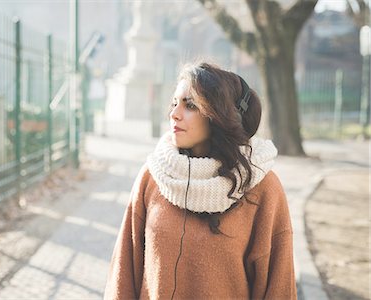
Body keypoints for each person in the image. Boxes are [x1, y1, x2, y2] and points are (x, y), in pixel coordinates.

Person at [104, 61, 297, 299]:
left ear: (219, 116)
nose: (174, 114)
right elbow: (124, 272)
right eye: (174, 103)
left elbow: (279, 288)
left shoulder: (262, 187)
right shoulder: (153, 176)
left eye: (190, 105)